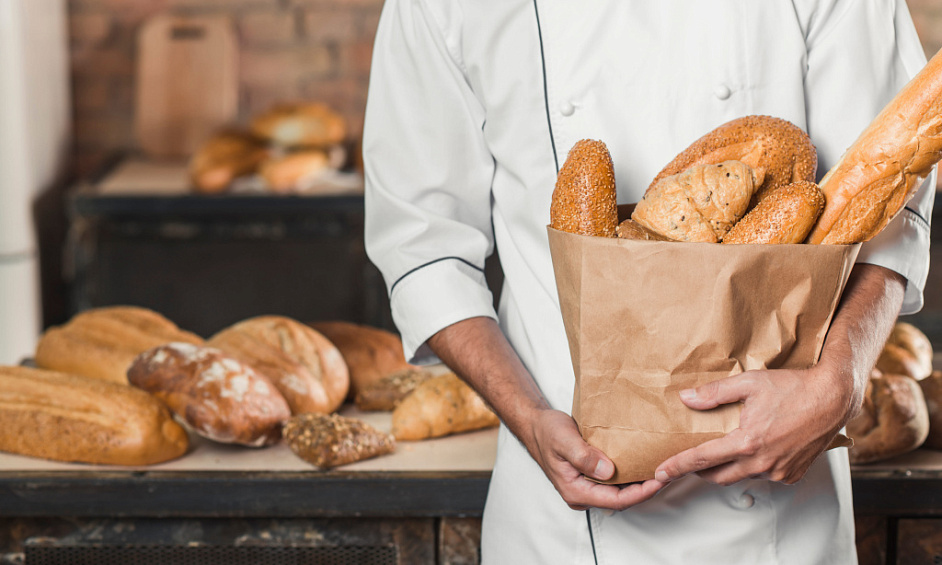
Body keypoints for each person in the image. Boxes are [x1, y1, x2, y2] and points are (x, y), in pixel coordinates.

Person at [362, 1, 935, 563]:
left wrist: (840, 378)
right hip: (559, 525)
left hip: (781, 518)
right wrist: (529, 419)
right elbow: (424, 247)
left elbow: (886, 191)